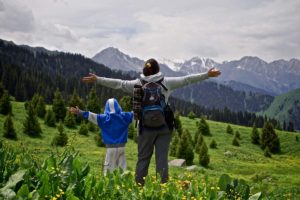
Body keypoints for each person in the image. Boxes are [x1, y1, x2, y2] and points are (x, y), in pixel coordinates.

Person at [82, 58, 221, 185]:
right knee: (162, 160)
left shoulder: (137, 84)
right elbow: (187, 79)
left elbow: (118, 84)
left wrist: (98, 79)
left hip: (145, 128)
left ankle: (139, 187)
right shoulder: (166, 82)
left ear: (144, 70)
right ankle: (163, 190)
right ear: (158, 70)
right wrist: (207, 74)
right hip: (164, 128)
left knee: (143, 159)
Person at [69, 98, 133, 175]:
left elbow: (90, 115)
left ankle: (107, 185)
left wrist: (79, 112)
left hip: (111, 149)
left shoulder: (103, 118)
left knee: (108, 170)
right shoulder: (125, 116)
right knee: (122, 169)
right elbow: (135, 113)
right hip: (122, 148)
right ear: (118, 106)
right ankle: (123, 184)